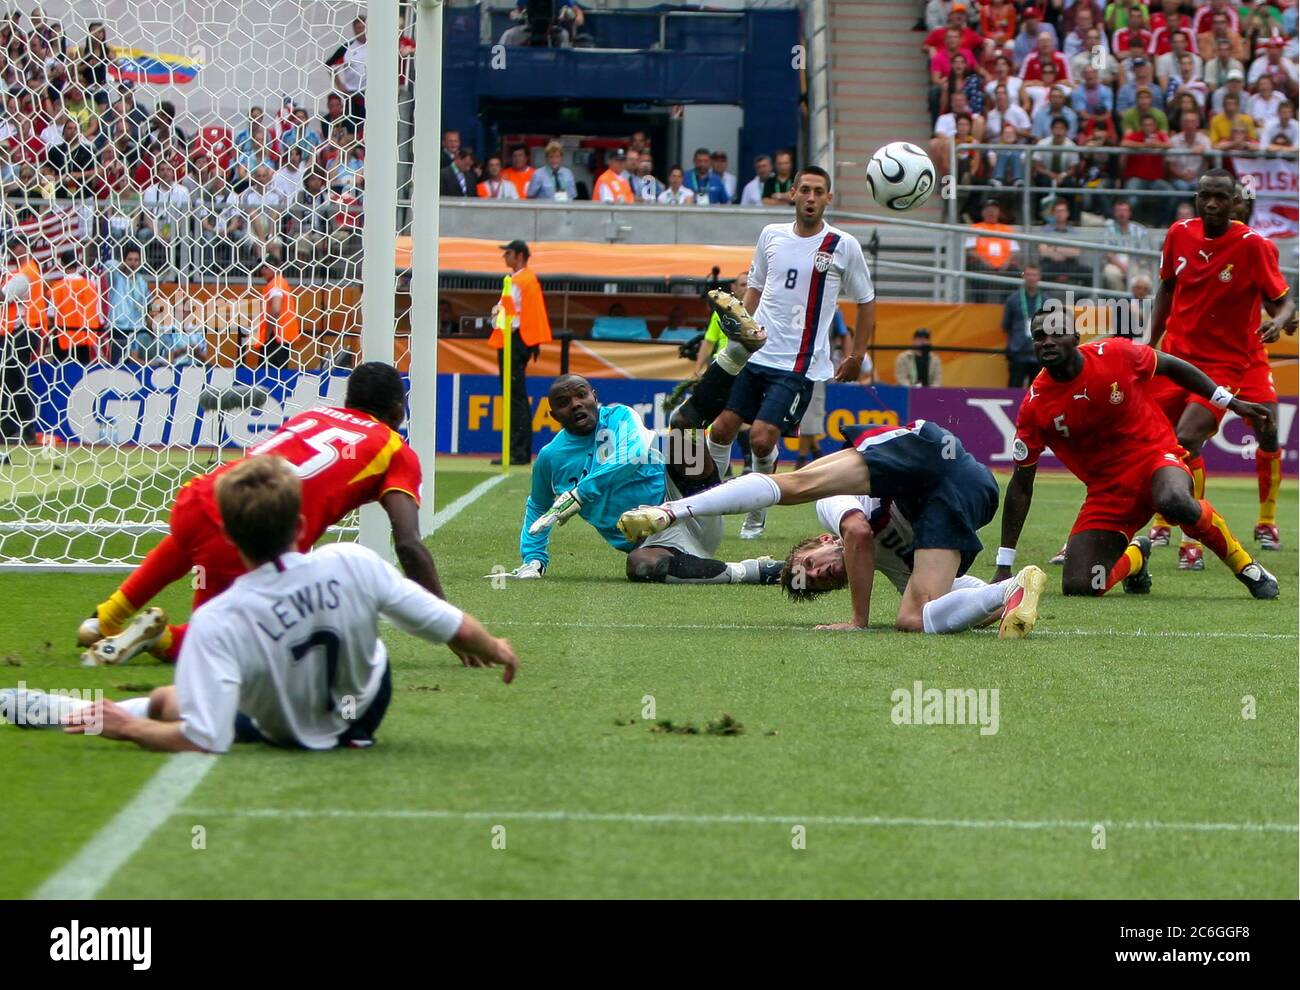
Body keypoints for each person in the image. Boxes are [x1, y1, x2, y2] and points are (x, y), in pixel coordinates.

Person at [49, 456, 517, 751]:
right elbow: (452, 626)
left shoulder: (217, 618)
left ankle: (86, 712)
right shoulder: (353, 561)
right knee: (176, 697)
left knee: (164, 700)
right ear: (299, 525)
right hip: (367, 712)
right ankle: (86, 710)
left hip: (285, 731)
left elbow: (202, 737)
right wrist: (495, 646)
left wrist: (127, 730)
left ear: (230, 537)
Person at [79, 363, 462, 669]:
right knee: (225, 647)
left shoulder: (315, 415)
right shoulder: (396, 450)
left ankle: (106, 618)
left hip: (198, 497)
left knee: (191, 538)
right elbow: (409, 544)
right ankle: (159, 638)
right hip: (246, 535)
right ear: (398, 410)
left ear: (348, 401)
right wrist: (450, 627)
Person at [618, 419, 1045, 639]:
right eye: (822, 584)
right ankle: (1014, 588)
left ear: (823, 541)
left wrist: (859, 619)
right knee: (914, 617)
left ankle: (672, 511)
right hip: (969, 493)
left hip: (926, 453)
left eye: (809, 566)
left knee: (795, 484)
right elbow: (959, 590)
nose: (821, 574)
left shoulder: (834, 511)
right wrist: (991, 604)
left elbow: (857, 533)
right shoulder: (894, 570)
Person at [997, 307, 1278, 600]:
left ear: (1076, 337)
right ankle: (1136, 558)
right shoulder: (1035, 406)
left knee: (1174, 501)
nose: (1048, 342)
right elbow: (1021, 484)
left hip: (1156, 458)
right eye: (1040, 336)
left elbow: (1171, 365)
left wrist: (1230, 402)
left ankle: (1246, 566)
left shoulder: (1115, 353)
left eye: (1057, 333)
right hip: (1107, 493)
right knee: (1080, 585)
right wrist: (1004, 564)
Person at [694, 166, 874, 540]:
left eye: (818, 192)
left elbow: (866, 300)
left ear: (829, 198)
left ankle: (757, 510)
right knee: (722, 429)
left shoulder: (842, 245)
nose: (811, 197)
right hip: (755, 354)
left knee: (760, 439)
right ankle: (712, 504)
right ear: (792, 193)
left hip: (799, 364)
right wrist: (737, 336)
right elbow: (755, 287)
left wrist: (857, 355)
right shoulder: (770, 235)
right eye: (804, 190)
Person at [1145, 171, 1295, 559]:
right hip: (1178, 356)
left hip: (1240, 358)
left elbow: (1280, 302)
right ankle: (1160, 521)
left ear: (1238, 204)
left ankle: (1262, 522)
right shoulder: (1179, 233)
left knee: (1264, 429)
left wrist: (1280, 322)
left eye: (1225, 199)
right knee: (1160, 441)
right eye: (1206, 196)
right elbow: (1166, 288)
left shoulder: (1255, 245)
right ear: (1197, 197)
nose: (1215, 205)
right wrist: (1149, 344)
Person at [507, 374, 781, 586]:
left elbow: (634, 453)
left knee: (682, 429)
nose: (576, 404)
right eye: (564, 403)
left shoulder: (619, 416)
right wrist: (534, 560)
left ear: (594, 395)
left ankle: (733, 356)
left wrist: (581, 493)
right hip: (655, 544)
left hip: (685, 502)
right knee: (639, 566)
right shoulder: (550, 458)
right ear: (553, 416)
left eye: (581, 395)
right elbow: (538, 506)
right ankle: (753, 570)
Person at [489, 239, 552, 466]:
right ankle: (518, 451)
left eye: (508, 253)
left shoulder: (520, 280)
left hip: (514, 340)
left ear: (519, 255)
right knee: (516, 397)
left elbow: (509, 313)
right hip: (520, 339)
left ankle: (517, 451)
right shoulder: (525, 279)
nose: (504, 257)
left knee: (515, 398)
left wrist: (496, 317)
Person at [1001, 262, 1045, 387]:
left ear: (1039, 277)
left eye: (1034, 275)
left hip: (1038, 353)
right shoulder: (1013, 300)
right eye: (1029, 274)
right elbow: (1005, 325)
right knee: (1014, 387)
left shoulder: (1046, 300)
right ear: (1023, 276)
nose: (1031, 278)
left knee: (1037, 391)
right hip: (1018, 352)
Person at [105, 242, 149, 363]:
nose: (133, 263)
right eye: (129, 259)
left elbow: (145, 305)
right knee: (116, 365)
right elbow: (108, 264)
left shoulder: (142, 282)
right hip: (117, 329)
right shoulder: (115, 277)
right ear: (124, 260)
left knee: (133, 367)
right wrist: (123, 266)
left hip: (135, 331)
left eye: (136, 260)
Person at [253, 256, 300, 371]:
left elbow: (275, 309)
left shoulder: (275, 285)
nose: (263, 270)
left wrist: (268, 332)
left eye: (267, 266)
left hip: (275, 337)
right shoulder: (279, 283)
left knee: (268, 375)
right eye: (262, 266)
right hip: (281, 336)